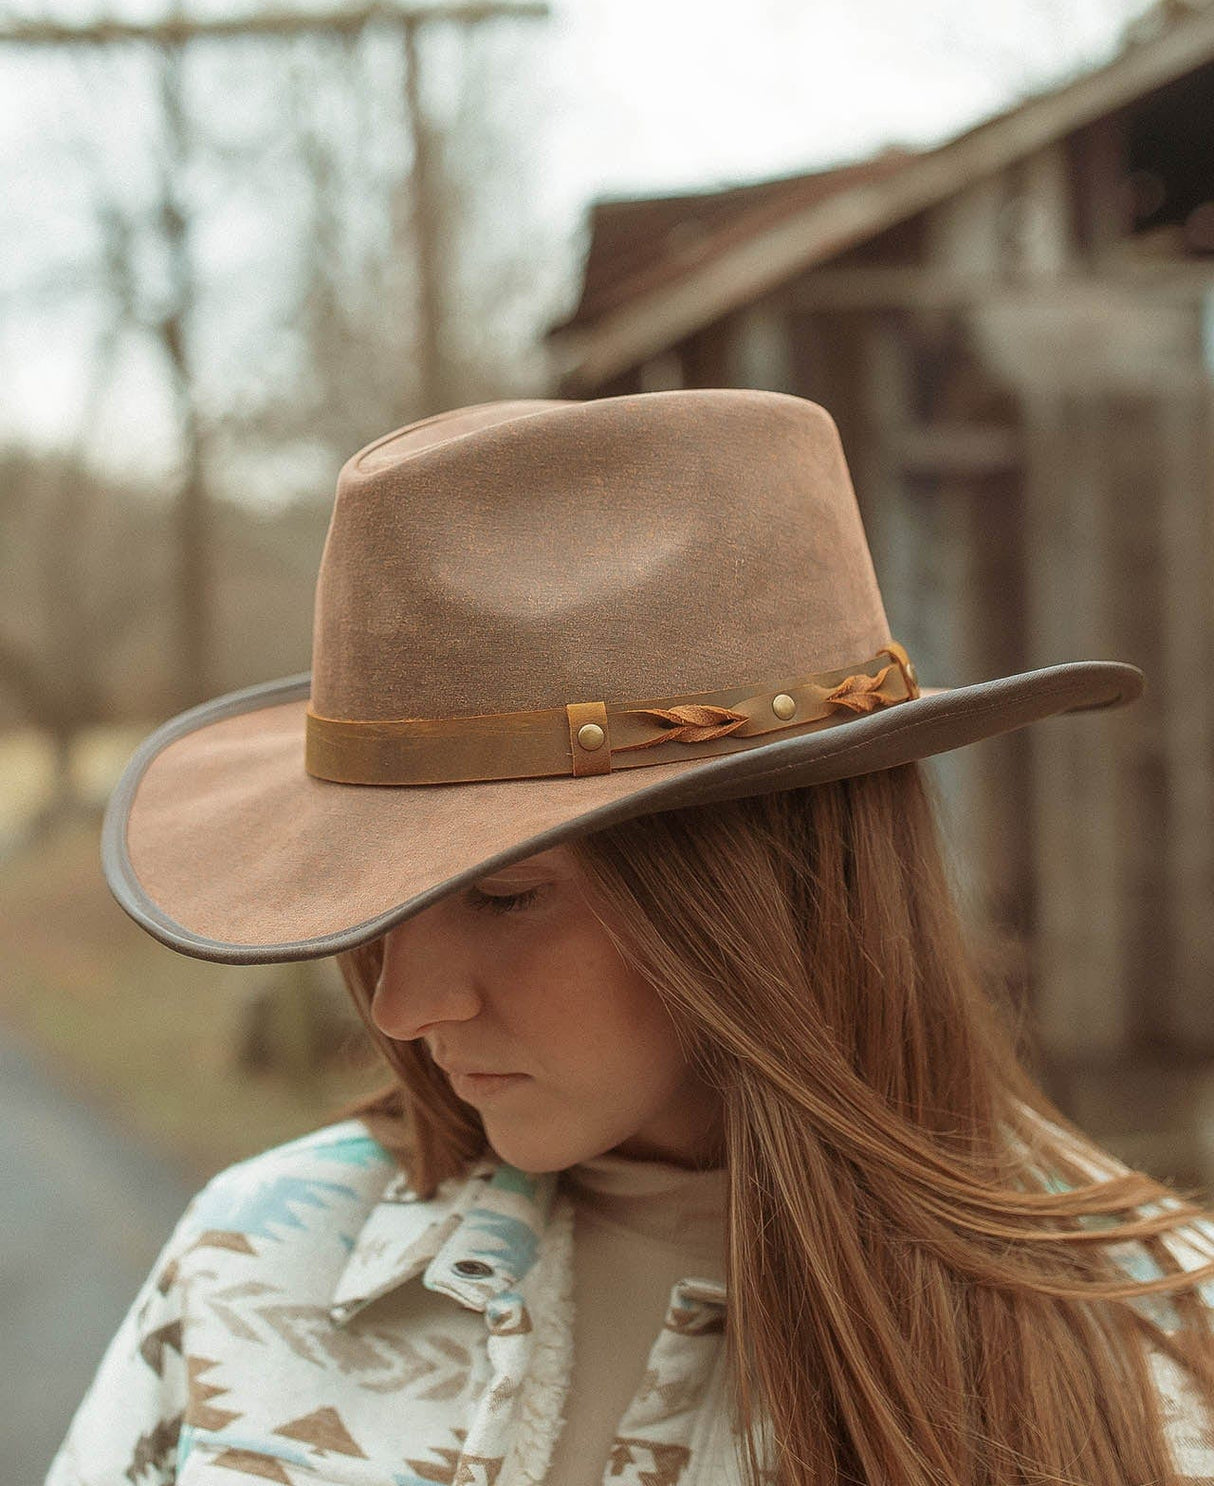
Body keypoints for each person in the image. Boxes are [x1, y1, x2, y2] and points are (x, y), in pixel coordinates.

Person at [48, 391, 1214, 1486]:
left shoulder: (1154, 1349)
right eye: (379, 905)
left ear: (763, 898)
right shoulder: (252, 1263)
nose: (400, 1008)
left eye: (503, 898)